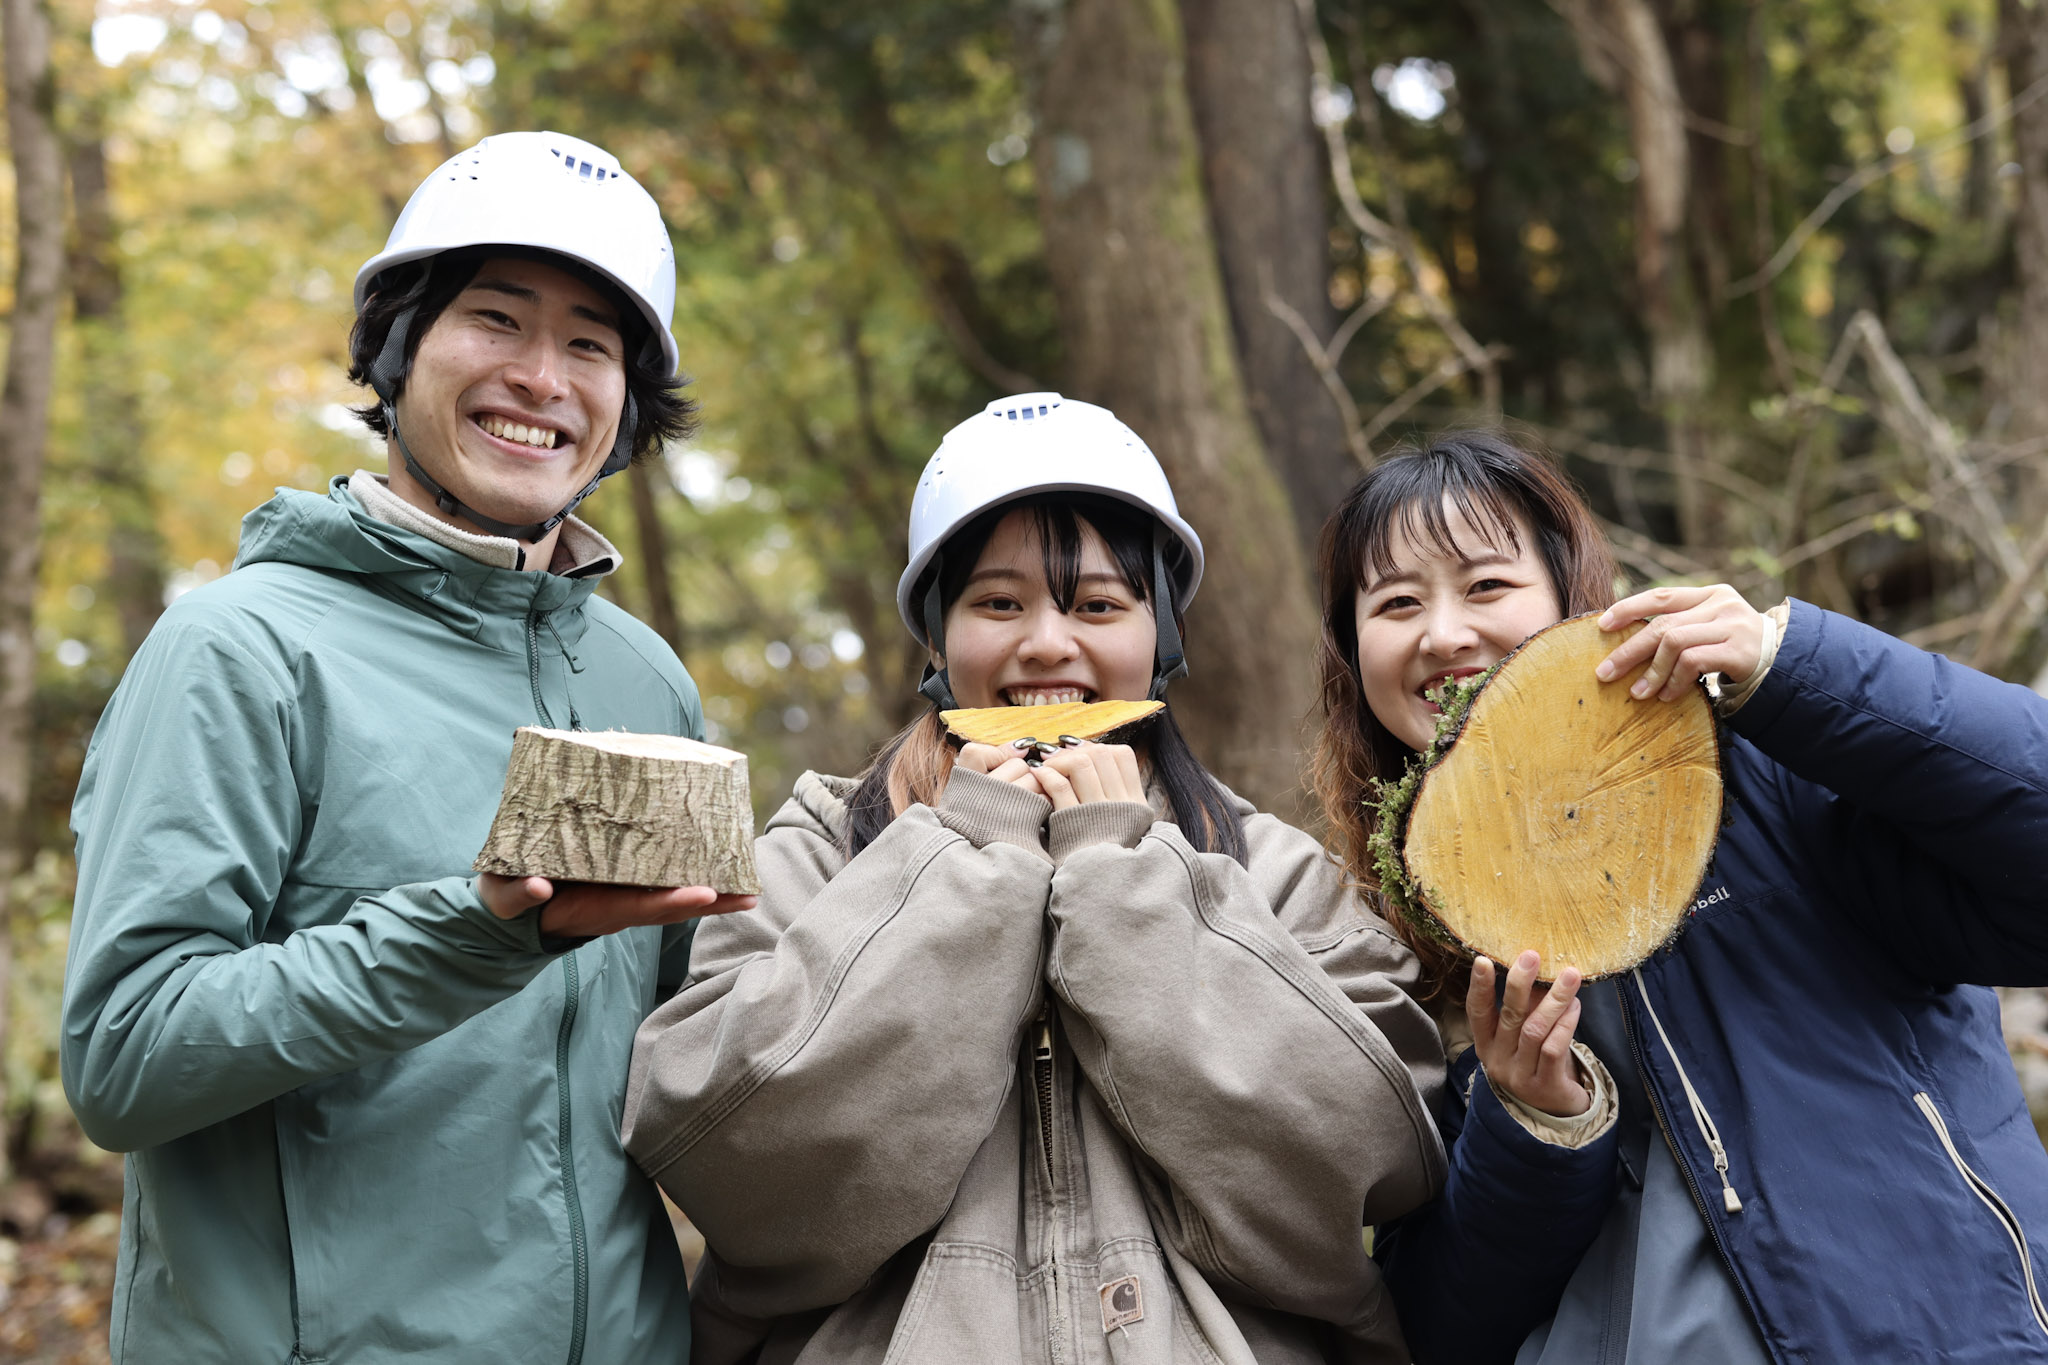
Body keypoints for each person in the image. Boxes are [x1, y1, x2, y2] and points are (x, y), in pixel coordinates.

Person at [60, 131, 752, 1365]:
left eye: (590, 345)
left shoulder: (644, 680)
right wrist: (474, 932)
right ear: (396, 348)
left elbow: (689, 1059)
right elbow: (125, 1057)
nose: (541, 377)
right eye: (496, 319)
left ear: (627, 405)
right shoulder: (239, 650)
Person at [620, 392, 1448, 1363]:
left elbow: (1372, 1160)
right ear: (937, 637)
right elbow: (731, 1165)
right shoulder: (817, 850)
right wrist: (966, 863)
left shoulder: (1268, 867)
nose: (1048, 643)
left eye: (1097, 605)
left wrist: (1125, 882)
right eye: (998, 604)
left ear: (1162, 637)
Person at [1311, 429, 2048, 1364]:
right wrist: (1535, 1124)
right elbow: (1436, 1326)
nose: (1444, 633)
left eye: (1487, 585)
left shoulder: (1774, 774)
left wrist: (1796, 668)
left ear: (1574, 596)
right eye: (1397, 602)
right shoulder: (1388, 933)